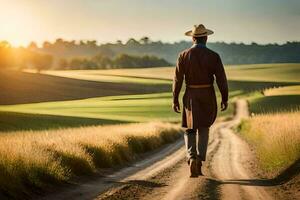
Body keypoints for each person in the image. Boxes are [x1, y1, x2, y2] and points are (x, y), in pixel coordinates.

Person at [172, 24, 228, 177]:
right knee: (204, 127)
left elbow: (178, 79)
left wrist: (175, 98)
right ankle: (199, 159)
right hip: (207, 94)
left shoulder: (183, 55)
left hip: (190, 94)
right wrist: (225, 97)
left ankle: (191, 157)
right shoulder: (214, 56)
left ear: (192, 38)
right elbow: (221, 79)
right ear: (206, 38)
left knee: (190, 128)